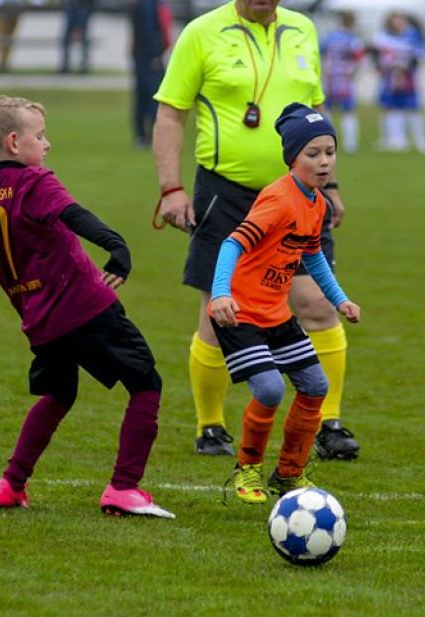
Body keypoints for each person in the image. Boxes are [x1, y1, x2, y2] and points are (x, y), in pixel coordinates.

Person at [0, 95, 175, 519]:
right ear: (13, 142)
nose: (47, 145)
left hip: (42, 323)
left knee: (59, 394)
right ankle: (124, 487)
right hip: (87, 308)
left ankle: (11, 484)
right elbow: (75, 215)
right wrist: (117, 246)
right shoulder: (35, 183)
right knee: (146, 383)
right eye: (40, 136)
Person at [152, 0, 361, 462]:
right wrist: (171, 188)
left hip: (301, 194)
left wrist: (333, 183)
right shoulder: (201, 32)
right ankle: (211, 427)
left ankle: (329, 422)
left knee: (318, 303)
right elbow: (171, 114)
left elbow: (316, 110)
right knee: (217, 308)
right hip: (225, 194)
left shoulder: (303, 29)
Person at [211, 103, 361, 503]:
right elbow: (232, 243)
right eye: (313, 154)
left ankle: (289, 473)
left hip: (277, 314)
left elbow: (313, 259)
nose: (324, 161)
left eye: (330, 152)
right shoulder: (278, 199)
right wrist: (221, 293)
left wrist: (340, 299)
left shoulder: (317, 204)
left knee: (315, 386)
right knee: (270, 388)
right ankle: (248, 469)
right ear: (292, 157)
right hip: (241, 314)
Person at [371, 11, 425, 154]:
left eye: (401, 20)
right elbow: (376, 56)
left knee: (413, 107)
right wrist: (383, 67)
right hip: (390, 78)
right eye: (395, 20)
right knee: (391, 107)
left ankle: (421, 140)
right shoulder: (382, 37)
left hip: (407, 77)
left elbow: (420, 55)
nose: (399, 23)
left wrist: (407, 67)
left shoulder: (412, 35)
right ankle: (396, 139)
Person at [319, 10, 365, 154]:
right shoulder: (354, 40)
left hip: (330, 77)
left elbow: (319, 55)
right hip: (345, 79)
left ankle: (328, 142)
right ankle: (350, 144)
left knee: (328, 110)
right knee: (349, 111)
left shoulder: (329, 37)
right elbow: (360, 61)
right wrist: (354, 74)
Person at [130, 0, 172, 148]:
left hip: (141, 55)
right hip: (150, 56)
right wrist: (155, 53)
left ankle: (142, 134)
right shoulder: (151, 4)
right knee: (152, 96)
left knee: (142, 95)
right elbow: (152, 30)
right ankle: (150, 134)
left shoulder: (142, 4)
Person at [0, 0, 42, 72]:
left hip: (13, 7)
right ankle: (2, 63)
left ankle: (3, 63)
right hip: (1, 7)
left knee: (7, 37)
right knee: (3, 36)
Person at [59, 0, 93, 74]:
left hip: (83, 8)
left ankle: (84, 66)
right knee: (66, 41)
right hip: (72, 9)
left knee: (84, 40)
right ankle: (66, 65)